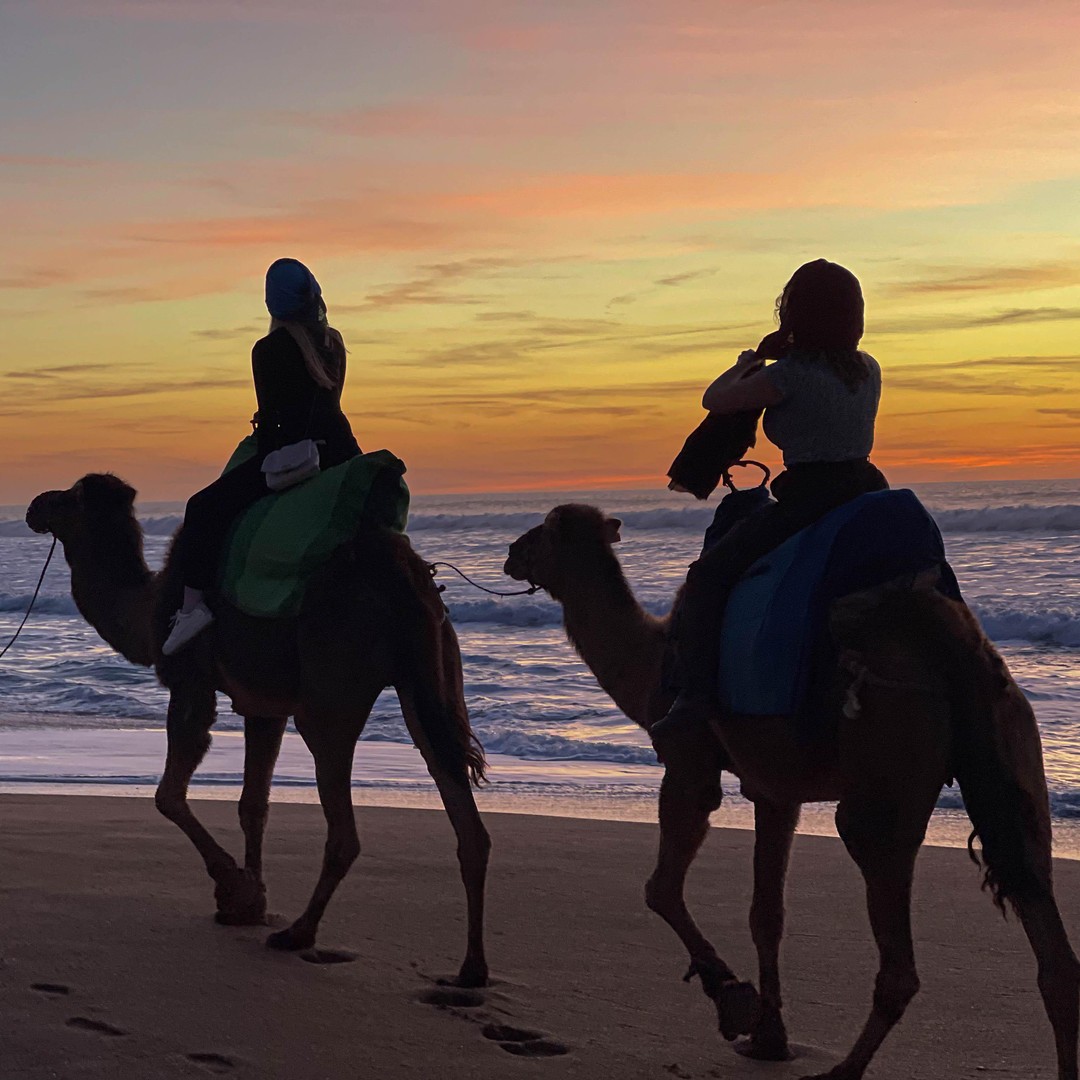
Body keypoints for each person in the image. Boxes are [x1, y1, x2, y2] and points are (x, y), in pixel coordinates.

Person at [652, 258, 886, 742]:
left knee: (709, 575)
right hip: (869, 490)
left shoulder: (790, 376)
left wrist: (751, 358)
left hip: (811, 498)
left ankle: (693, 695)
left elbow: (715, 400)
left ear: (793, 314)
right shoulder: (869, 369)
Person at [162, 258, 361, 655]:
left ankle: (192, 608)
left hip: (297, 454)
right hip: (343, 453)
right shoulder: (334, 342)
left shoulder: (268, 349)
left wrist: (264, 451)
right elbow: (327, 407)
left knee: (201, 507)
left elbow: (275, 422)